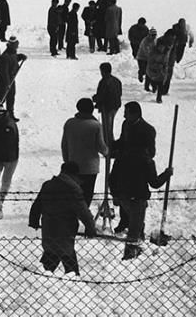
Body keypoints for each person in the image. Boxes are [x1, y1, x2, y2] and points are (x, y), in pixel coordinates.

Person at [28, 162, 97, 275]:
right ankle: (74, 280)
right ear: (74, 175)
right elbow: (83, 212)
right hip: (65, 232)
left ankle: (40, 279)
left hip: (48, 228)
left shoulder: (48, 185)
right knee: (67, 260)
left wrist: (34, 220)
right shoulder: (73, 189)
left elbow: (37, 205)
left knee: (51, 256)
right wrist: (91, 228)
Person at [109, 150, 172, 260]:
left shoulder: (121, 157)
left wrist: (115, 194)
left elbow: (112, 178)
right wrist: (167, 174)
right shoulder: (146, 160)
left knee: (136, 222)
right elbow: (155, 183)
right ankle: (131, 252)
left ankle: (137, 244)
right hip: (138, 198)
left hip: (124, 198)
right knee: (135, 227)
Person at [111, 101, 156, 235]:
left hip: (138, 167)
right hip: (123, 164)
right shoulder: (126, 125)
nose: (124, 117)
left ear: (135, 114)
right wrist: (113, 145)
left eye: (126, 113)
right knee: (123, 191)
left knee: (133, 197)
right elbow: (122, 141)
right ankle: (124, 221)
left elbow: (151, 151)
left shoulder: (148, 130)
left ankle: (136, 226)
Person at [61, 98, 108, 207]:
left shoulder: (69, 123)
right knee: (86, 195)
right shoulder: (95, 125)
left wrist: (67, 160)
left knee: (73, 194)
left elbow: (64, 145)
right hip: (90, 168)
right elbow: (101, 147)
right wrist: (107, 152)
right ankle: (83, 215)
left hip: (72, 165)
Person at [0, 102, 19, 221]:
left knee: (6, 182)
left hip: (10, 159)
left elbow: (7, 144)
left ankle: (1, 197)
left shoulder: (9, 126)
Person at [0, 36, 27, 121]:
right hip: (4, 80)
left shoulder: (12, 52)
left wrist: (20, 57)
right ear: (12, 45)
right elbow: (4, 71)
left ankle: (10, 114)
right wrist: (7, 83)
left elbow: (14, 58)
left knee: (11, 96)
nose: (17, 46)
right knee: (2, 97)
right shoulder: (5, 56)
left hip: (11, 79)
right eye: (16, 44)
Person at [92, 62, 122, 147]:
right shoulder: (116, 80)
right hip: (115, 105)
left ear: (103, 71)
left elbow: (102, 95)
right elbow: (119, 93)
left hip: (107, 106)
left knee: (106, 127)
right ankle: (110, 142)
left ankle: (108, 144)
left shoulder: (104, 82)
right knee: (110, 125)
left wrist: (95, 99)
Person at [146, 37, 170, 103]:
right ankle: (154, 87)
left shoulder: (166, 53)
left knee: (161, 85)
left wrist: (165, 71)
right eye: (160, 46)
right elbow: (150, 64)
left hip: (161, 72)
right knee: (154, 83)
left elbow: (166, 63)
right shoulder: (153, 52)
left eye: (163, 47)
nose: (162, 48)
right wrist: (158, 65)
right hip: (152, 71)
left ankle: (159, 98)